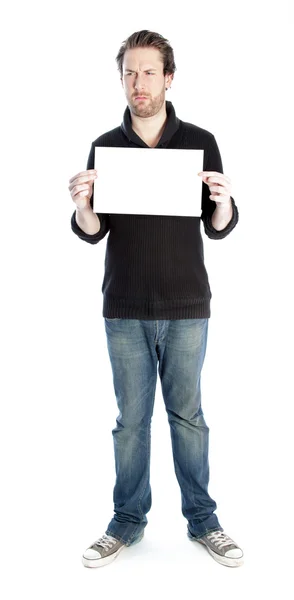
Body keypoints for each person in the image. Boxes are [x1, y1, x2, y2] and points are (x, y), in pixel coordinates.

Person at [68, 29, 243, 569]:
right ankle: (126, 521)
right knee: (130, 423)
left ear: (169, 77)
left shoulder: (199, 140)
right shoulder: (106, 145)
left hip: (188, 305)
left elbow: (218, 227)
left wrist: (223, 199)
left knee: (188, 418)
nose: (138, 83)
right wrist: (81, 205)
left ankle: (203, 520)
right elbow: (94, 231)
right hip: (124, 306)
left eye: (148, 72)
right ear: (121, 79)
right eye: (129, 73)